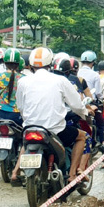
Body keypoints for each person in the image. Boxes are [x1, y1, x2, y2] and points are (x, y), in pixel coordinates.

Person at [16, 47, 91, 185]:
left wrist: (28, 120)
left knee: (24, 142)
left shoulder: (23, 82)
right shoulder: (60, 81)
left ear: (31, 64)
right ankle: (72, 174)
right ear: (50, 62)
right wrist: (84, 114)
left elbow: (21, 106)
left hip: (30, 127)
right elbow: (76, 105)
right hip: (55, 130)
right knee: (83, 137)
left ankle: (16, 171)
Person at [0, 48, 25, 185]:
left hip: (1, 114)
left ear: (4, 62)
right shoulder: (24, 79)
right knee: (24, 138)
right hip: (17, 116)